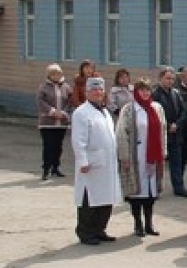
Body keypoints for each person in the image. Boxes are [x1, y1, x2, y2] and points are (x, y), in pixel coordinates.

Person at [71, 77, 121, 245]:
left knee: (106, 199)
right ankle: (85, 232)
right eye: (94, 90)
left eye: (100, 90)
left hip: (107, 164)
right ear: (87, 93)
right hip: (92, 164)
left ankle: (100, 229)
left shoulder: (104, 111)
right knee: (89, 199)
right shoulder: (81, 113)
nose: (98, 93)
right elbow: (78, 140)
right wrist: (83, 161)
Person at [116, 78, 168, 237]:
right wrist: (124, 156)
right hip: (135, 157)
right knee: (136, 193)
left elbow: (163, 130)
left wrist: (163, 152)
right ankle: (137, 223)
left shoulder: (157, 108)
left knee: (151, 192)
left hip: (153, 157)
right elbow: (121, 133)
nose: (145, 93)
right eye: (142, 90)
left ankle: (149, 224)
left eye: (147, 90)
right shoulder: (129, 110)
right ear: (136, 92)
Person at [153, 67, 187, 196]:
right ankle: (155, 188)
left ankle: (178, 187)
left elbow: (183, 112)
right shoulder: (155, 94)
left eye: (172, 79)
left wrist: (177, 124)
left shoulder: (176, 93)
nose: (170, 81)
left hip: (176, 132)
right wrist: (168, 125)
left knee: (177, 161)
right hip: (162, 133)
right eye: (168, 78)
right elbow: (155, 114)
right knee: (159, 162)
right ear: (161, 79)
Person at [36, 64, 72, 181]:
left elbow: (70, 101)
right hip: (47, 122)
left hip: (61, 122)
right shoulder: (43, 87)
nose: (57, 76)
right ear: (49, 75)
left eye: (58, 73)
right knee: (48, 145)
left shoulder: (66, 87)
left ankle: (56, 168)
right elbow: (41, 102)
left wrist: (64, 113)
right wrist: (52, 111)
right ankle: (46, 168)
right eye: (54, 74)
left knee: (58, 146)